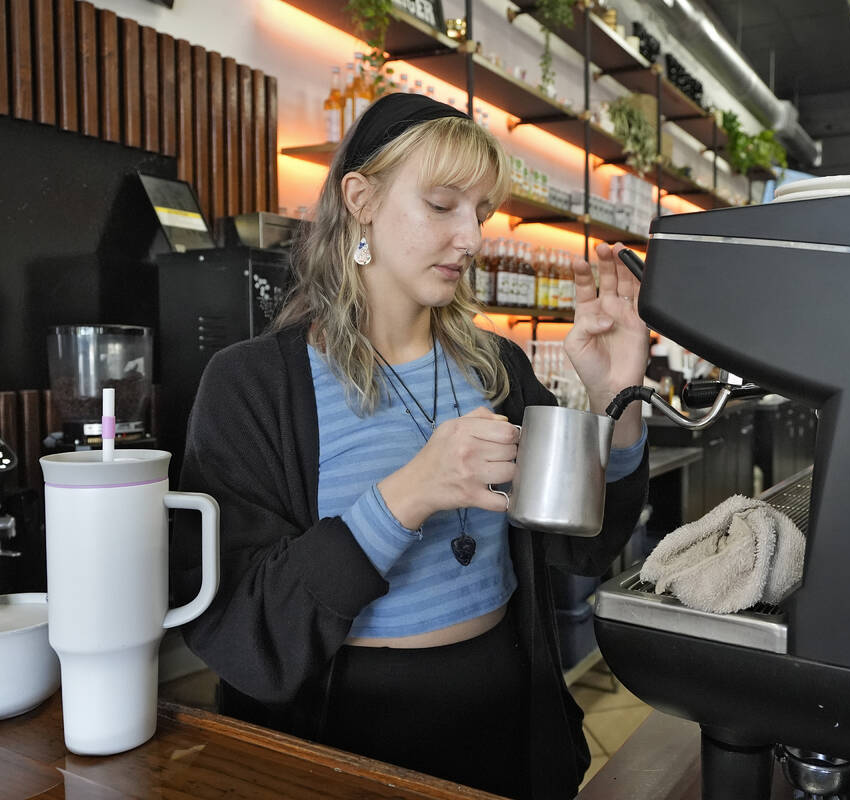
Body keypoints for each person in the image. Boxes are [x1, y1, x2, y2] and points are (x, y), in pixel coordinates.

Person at [171, 92, 650, 800]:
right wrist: (409, 494)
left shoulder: (497, 367)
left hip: (506, 723)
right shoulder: (253, 385)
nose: (472, 238)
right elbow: (244, 626)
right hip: (346, 740)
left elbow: (583, 545)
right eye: (442, 204)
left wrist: (619, 402)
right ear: (361, 199)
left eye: (480, 212)